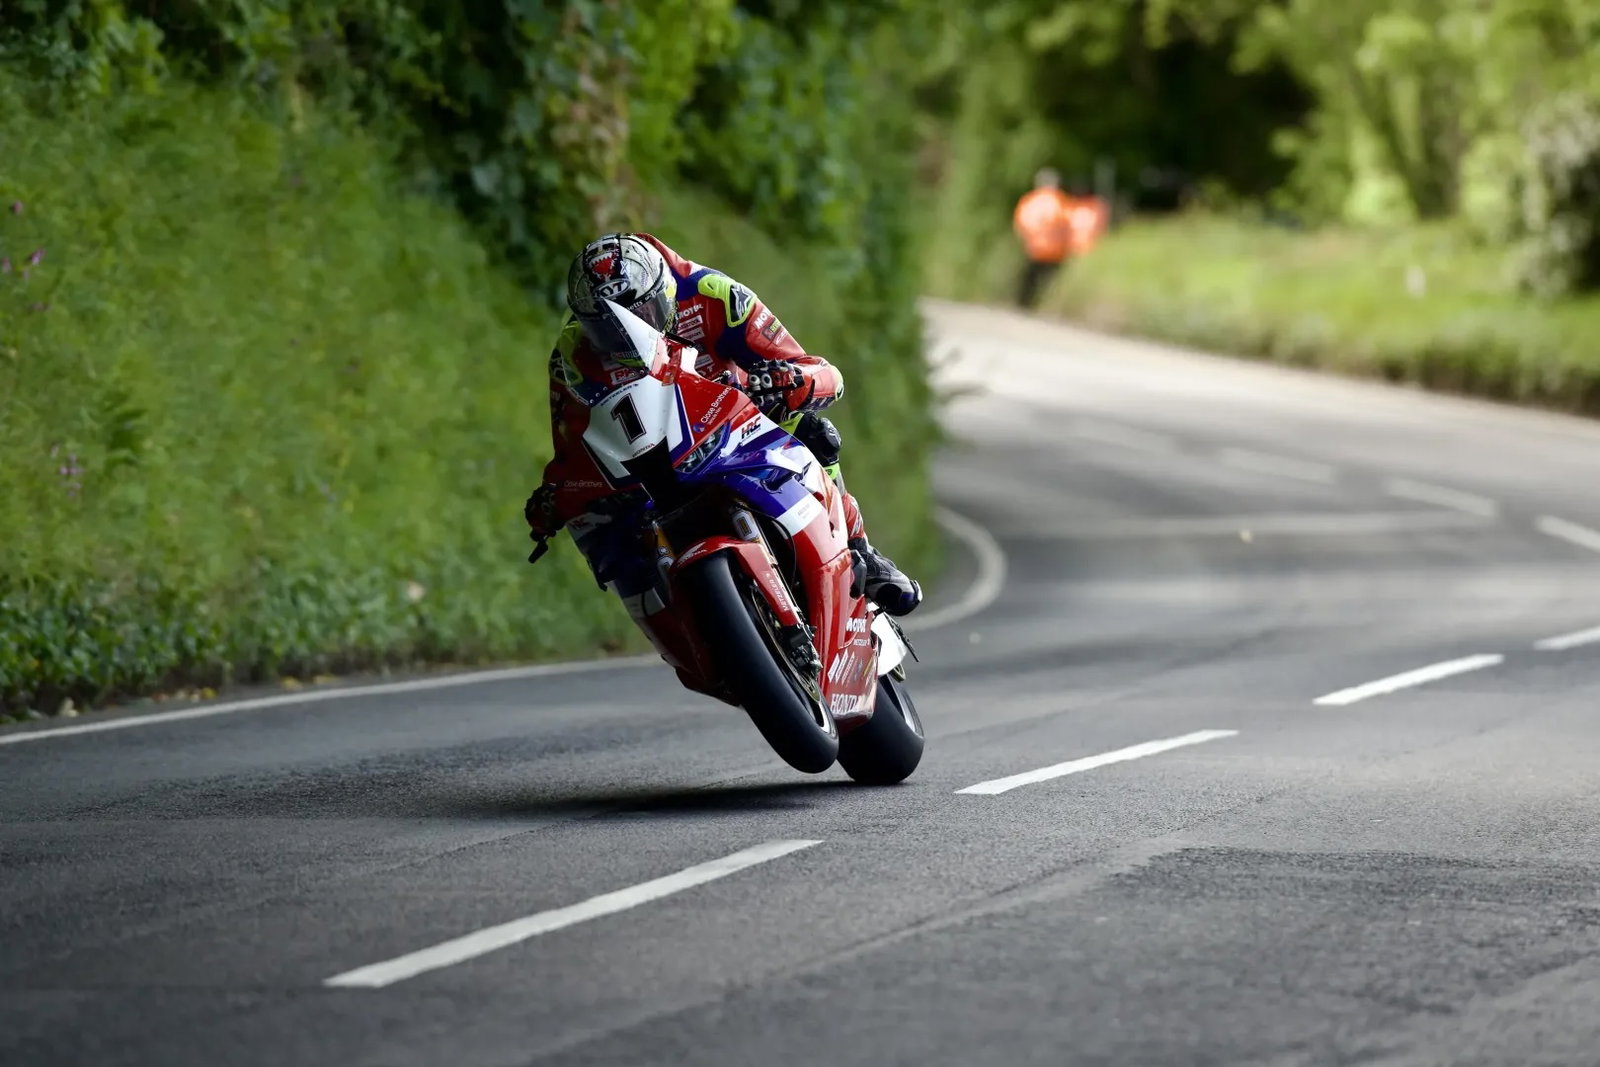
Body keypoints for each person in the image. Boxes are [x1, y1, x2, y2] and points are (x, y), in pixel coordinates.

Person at [523, 232, 923, 618]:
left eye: (638, 315)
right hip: (650, 457)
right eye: (604, 327)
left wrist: (789, 381)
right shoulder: (571, 356)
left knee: (813, 431)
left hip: (734, 422)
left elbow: (816, 370)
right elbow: (570, 440)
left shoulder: (713, 294)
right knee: (614, 534)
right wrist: (556, 493)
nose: (622, 335)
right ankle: (679, 625)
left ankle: (859, 548)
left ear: (663, 294)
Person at [1012, 167, 1074, 309]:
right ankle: (1043, 306)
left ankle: (1023, 304)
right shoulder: (1062, 202)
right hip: (1055, 252)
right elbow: (1069, 226)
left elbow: (1021, 223)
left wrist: (1025, 240)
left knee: (1029, 280)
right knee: (1049, 282)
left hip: (1034, 248)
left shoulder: (1030, 200)